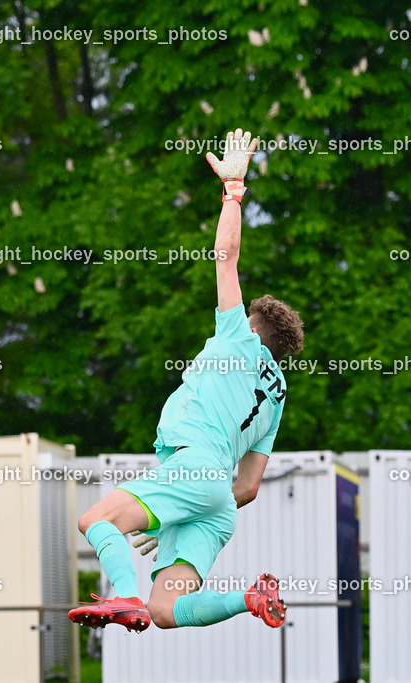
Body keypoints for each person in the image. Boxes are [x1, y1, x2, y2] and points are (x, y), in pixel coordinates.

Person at [69, 128, 305, 632]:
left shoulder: (237, 340)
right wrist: (183, 507)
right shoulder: (278, 394)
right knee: (166, 611)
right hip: (218, 501)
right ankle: (251, 598)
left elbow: (226, 258)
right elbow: (250, 486)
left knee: (96, 522)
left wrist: (234, 190)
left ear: (252, 329)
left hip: (195, 472)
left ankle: (123, 598)